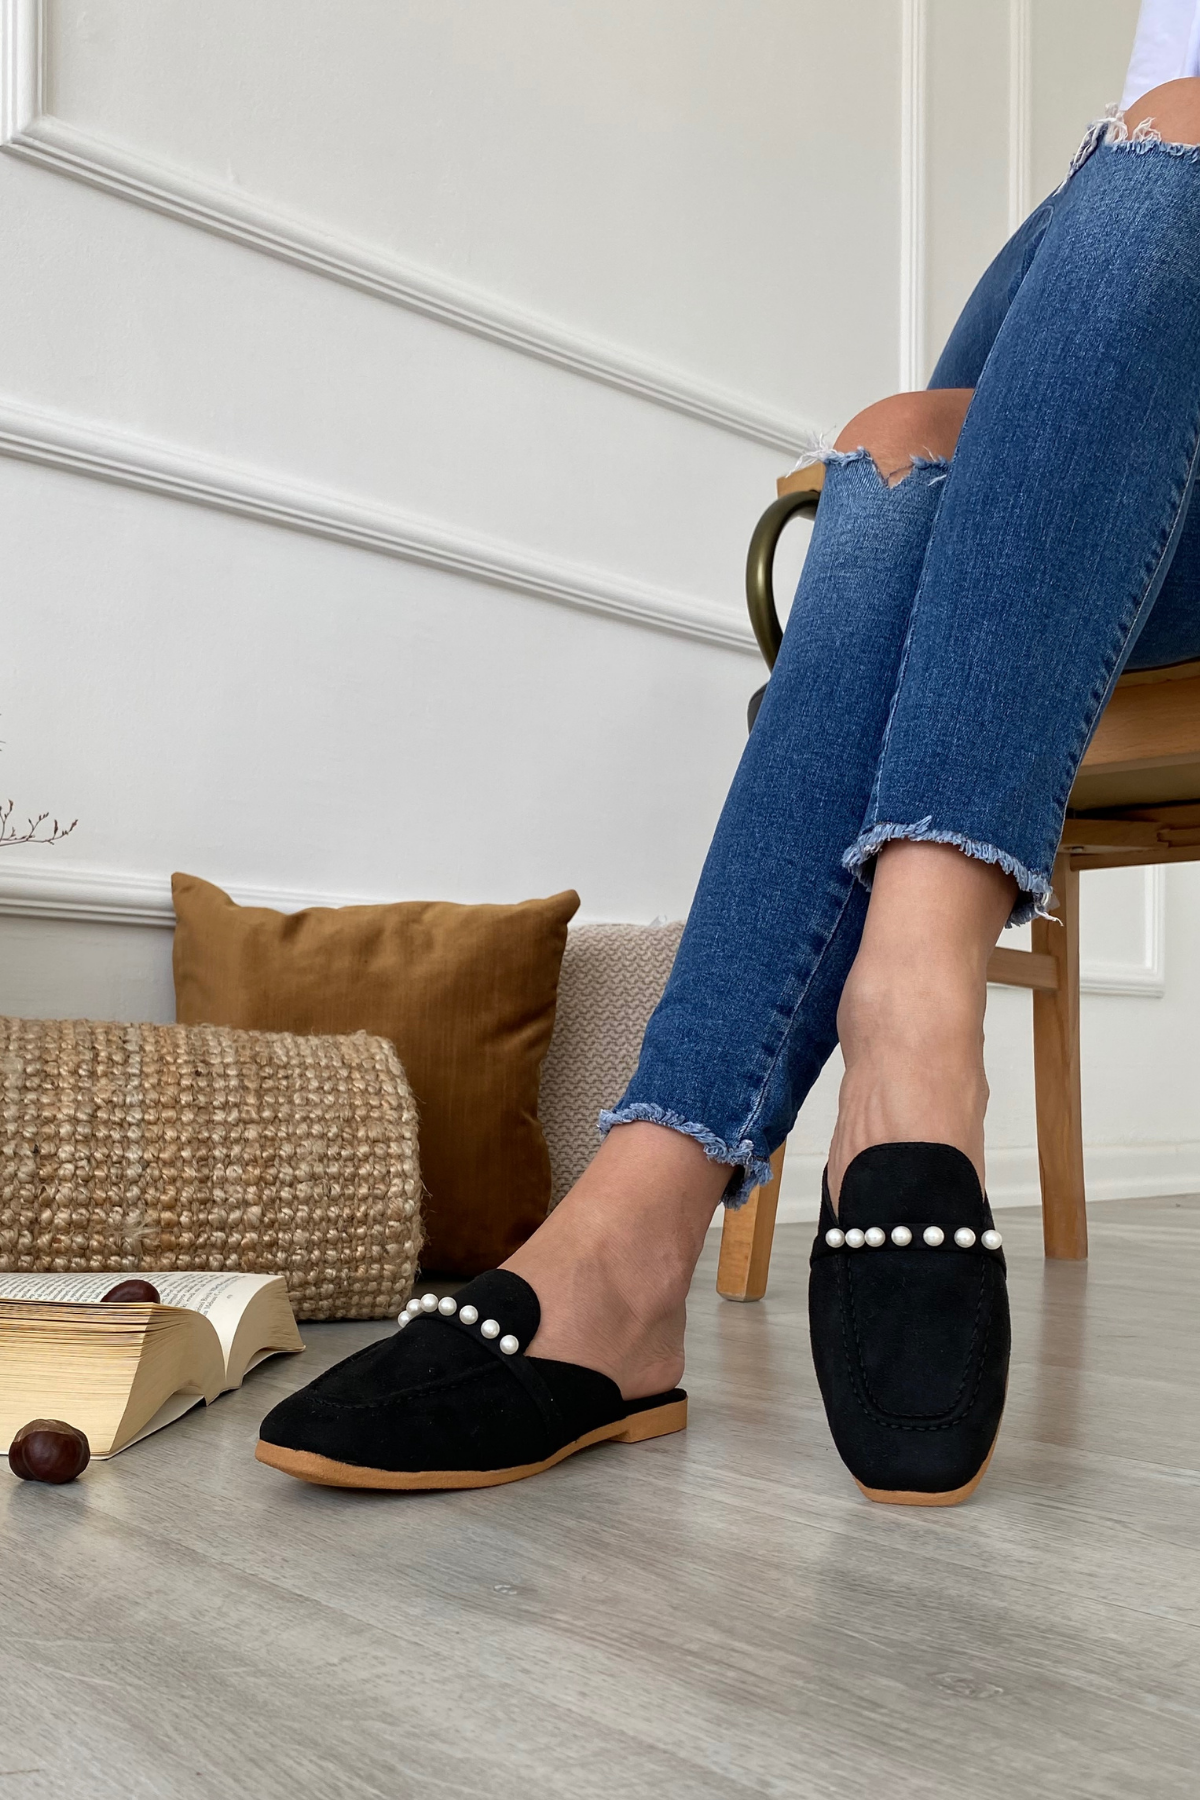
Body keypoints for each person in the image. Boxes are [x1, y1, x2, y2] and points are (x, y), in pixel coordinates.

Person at [256, 19, 1200, 1503]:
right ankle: (642, 1226)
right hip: (1124, 232)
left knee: (1174, 155)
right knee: (898, 447)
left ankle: (895, 1038)